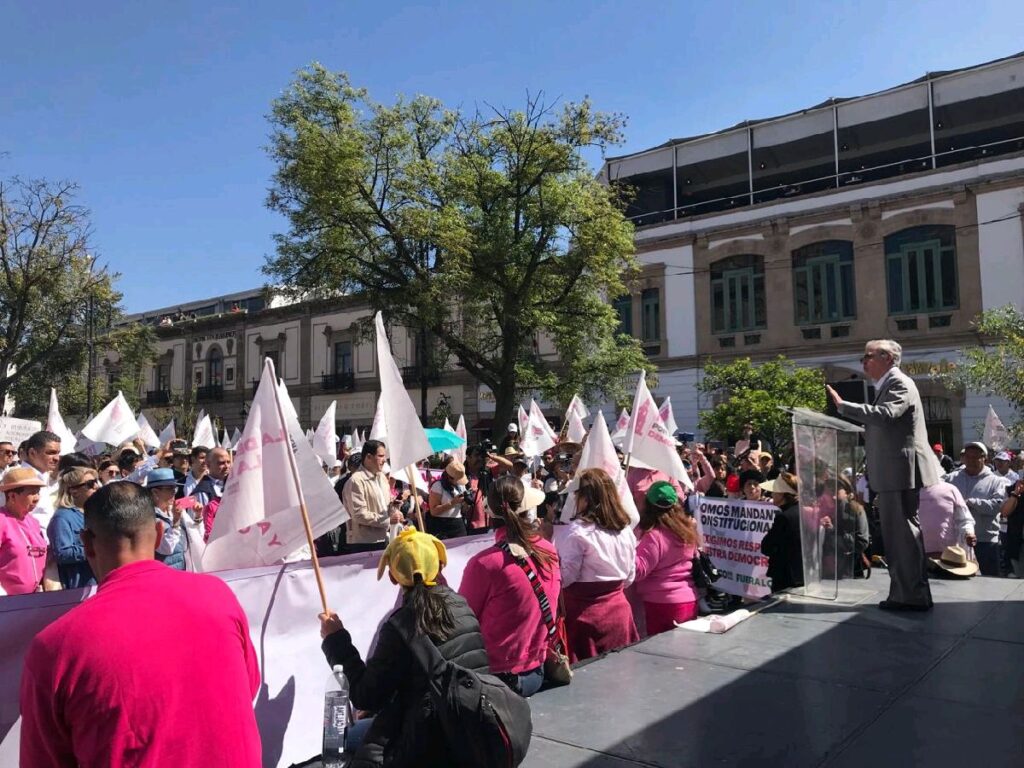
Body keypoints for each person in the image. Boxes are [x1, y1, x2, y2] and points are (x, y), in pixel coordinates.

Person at [19, 482, 261, 767]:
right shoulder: (217, 594)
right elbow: (249, 686)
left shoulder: (55, 646)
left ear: (86, 543)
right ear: (159, 534)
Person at [318, 528, 489, 767]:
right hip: (472, 729)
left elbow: (365, 696)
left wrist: (336, 640)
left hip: (428, 740)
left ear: (392, 576)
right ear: (440, 566)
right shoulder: (461, 605)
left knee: (340, 738)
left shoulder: (400, 625)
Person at [827, 339, 938, 611]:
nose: (863, 362)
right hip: (893, 473)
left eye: (868, 356)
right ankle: (906, 593)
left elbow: (887, 415)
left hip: (900, 473)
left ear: (887, 358)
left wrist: (844, 406)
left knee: (902, 537)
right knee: (898, 537)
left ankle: (910, 596)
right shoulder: (887, 385)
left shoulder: (899, 383)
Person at [459, 477, 559, 696]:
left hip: (498, 682)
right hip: (538, 671)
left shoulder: (486, 563)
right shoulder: (548, 550)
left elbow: (463, 622)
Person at [558, 467, 639, 662]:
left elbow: (566, 578)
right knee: (619, 674)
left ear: (585, 498)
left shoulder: (578, 532)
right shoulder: (625, 531)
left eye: (577, 495)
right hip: (618, 611)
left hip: (585, 616)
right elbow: (629, 577)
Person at [634, 481, 700, 635]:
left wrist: (626, 547)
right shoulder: (686, 531)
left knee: (661, 658)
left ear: (648, 506)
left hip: (662, 604)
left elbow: (638, 571)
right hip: (689, 600)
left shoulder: (654, 536)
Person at [944, 442, 1006, 576]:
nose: (971, 460)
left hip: (986, 541)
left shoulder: (996, 481)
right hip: (958, 542)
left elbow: (996, 507)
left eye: (975, 457)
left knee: (991, 581)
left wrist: (971, 502)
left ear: (985, 459)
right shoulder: (952, 478)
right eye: (968, 457)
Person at [343, 440, 404, 551]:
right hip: (363, 543)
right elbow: (359, 515)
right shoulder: (356, 481)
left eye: (384, 456)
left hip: (383, 539)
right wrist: (388, 520)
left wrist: (395, 509)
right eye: (380, 456)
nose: (384, 460)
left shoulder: (382, 478)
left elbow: (385, 506)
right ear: (368, 457)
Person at [48, 467, 100, 589]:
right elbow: (62, 553)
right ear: (74, 491)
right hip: (80, 587)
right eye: (90, 484)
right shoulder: (62, 517)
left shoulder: (95, 513)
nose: (97, 486)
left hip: (99, 582)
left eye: (96, 481)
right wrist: (96, 548)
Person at [0, 469, 48, 595]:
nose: (37, 498)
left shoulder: (34, 522)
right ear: (12, 496)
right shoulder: (1, 520)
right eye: (32, 493)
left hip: (37, 598)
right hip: (8, 603)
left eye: (37, 493)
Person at [760, 473, 804, 592]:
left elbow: (766, 547)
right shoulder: (804, 511)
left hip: (785, 578)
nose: (772, 494)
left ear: (782, 494)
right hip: (803, 575)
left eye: (775, 491)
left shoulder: (783, 517)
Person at [917, 479, 977, 556]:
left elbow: (964, 519)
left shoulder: (950, 489)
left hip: (948, 556)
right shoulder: (904, 493)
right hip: (916, 556)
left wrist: (968, 533)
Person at [22, 430, 62, 535]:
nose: (57, 458)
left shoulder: (49, 479)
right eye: (51, 452)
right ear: (32, 453)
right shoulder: (17, 478)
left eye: (58, 453)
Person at [427, 459, 469, 539]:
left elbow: (462, 510)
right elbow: (433, 511)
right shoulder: (437, 486)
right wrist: (452, 503)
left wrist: (466, 504)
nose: (458, 482)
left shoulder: (460, 486)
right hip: (441, 525)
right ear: (450, 477)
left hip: (458, 523)